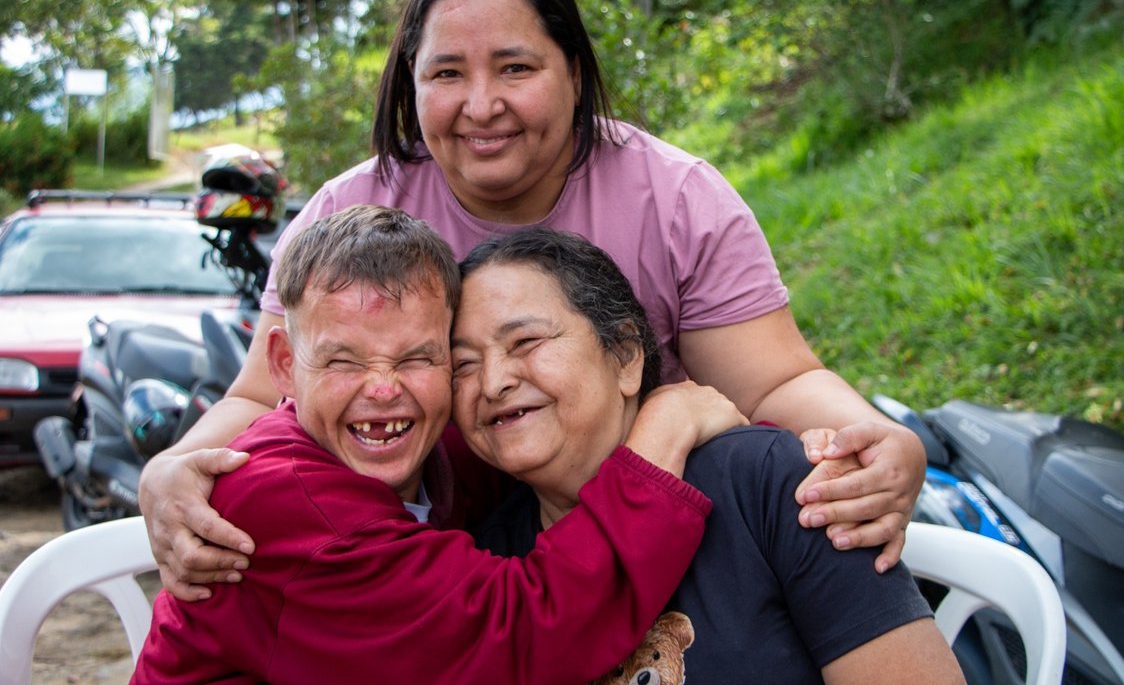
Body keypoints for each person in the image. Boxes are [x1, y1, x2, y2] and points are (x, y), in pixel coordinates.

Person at [140, 0, 926, 600]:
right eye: (447, 73)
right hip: (429, 576)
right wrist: (172, 468)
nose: (481, 105)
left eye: (515, 67)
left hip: (658, 557)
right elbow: (261, 394)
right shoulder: (351, 212)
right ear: (411, 87)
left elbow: (776, 383)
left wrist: (878, 439)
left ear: (574, 72)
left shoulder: (675, 198)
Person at [132, 205, 748, 683]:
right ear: (284, 366)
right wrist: (660, 435)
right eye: (342, 360)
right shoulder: (288, 507)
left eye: (419, 357)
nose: (382, 390)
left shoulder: (432, 452)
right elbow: (523, 635)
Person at [452, 227, 965, 685]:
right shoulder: (487, 566)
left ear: (626, 355)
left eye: (526, 341)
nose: (494, 382)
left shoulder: (770, 483)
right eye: (462, 366)